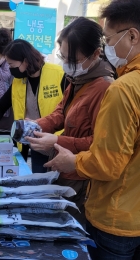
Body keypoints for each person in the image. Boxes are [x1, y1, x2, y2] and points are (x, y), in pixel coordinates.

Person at [44, 0, 140, 258]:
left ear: (132, 36)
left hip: (115, 215)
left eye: (108, 39)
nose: (106, 45)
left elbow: (108, 161)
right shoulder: (79, 80)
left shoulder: (120, 88)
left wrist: (70, 157)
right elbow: (61, 112)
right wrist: (41, 127)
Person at [25, 17, 114, 227]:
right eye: (63, 57)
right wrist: (35, 125)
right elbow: (61, 114)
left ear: (95, 54)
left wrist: (57, 141)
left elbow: (100, 143)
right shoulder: (78, 80)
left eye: (72, 60)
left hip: (82, 178)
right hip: (64, 169)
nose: (67, 64)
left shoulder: (104, 88)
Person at [0, 39, 65, 173]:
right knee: (38, 178)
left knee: (57, 181)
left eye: (11, 65)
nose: (10, 69)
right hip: (34, 142)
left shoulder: (58, 74)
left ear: (25, 60)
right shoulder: (19, 81)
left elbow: (71, 109)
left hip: (57, 142)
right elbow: (0, 107)